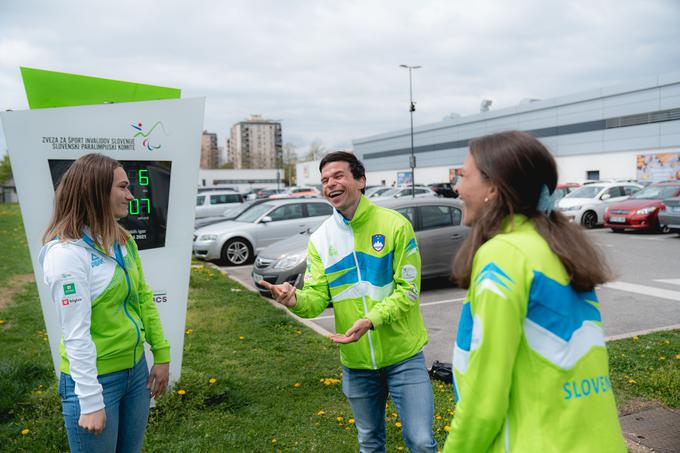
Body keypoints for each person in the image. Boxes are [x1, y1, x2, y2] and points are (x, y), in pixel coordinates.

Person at [443, 131, 626, 452]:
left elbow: (484, 400)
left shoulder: (504, 254)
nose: (456, 187)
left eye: (463, 176)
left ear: (494, 187)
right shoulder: (559, 248)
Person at [260, 151, 436, 453]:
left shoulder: (395, 226)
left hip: (403, 357)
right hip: (356, 364)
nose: (330, 184)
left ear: (361, 180)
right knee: (369, 443)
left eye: (338, 176)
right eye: (325, 180)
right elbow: (316, 300)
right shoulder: (320, 239)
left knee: (421, 441)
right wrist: (294, 299)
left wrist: (371, 320)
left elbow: (408, 290)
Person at [39, 153, 170, 452]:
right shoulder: (67, 254)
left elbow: (143, 299)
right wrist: (90, 400)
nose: (130, 195)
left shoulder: (123, 241)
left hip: (135, 374)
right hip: (95, 381)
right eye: (123, 187)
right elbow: (76, 334)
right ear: (96, 191)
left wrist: (160, 354)